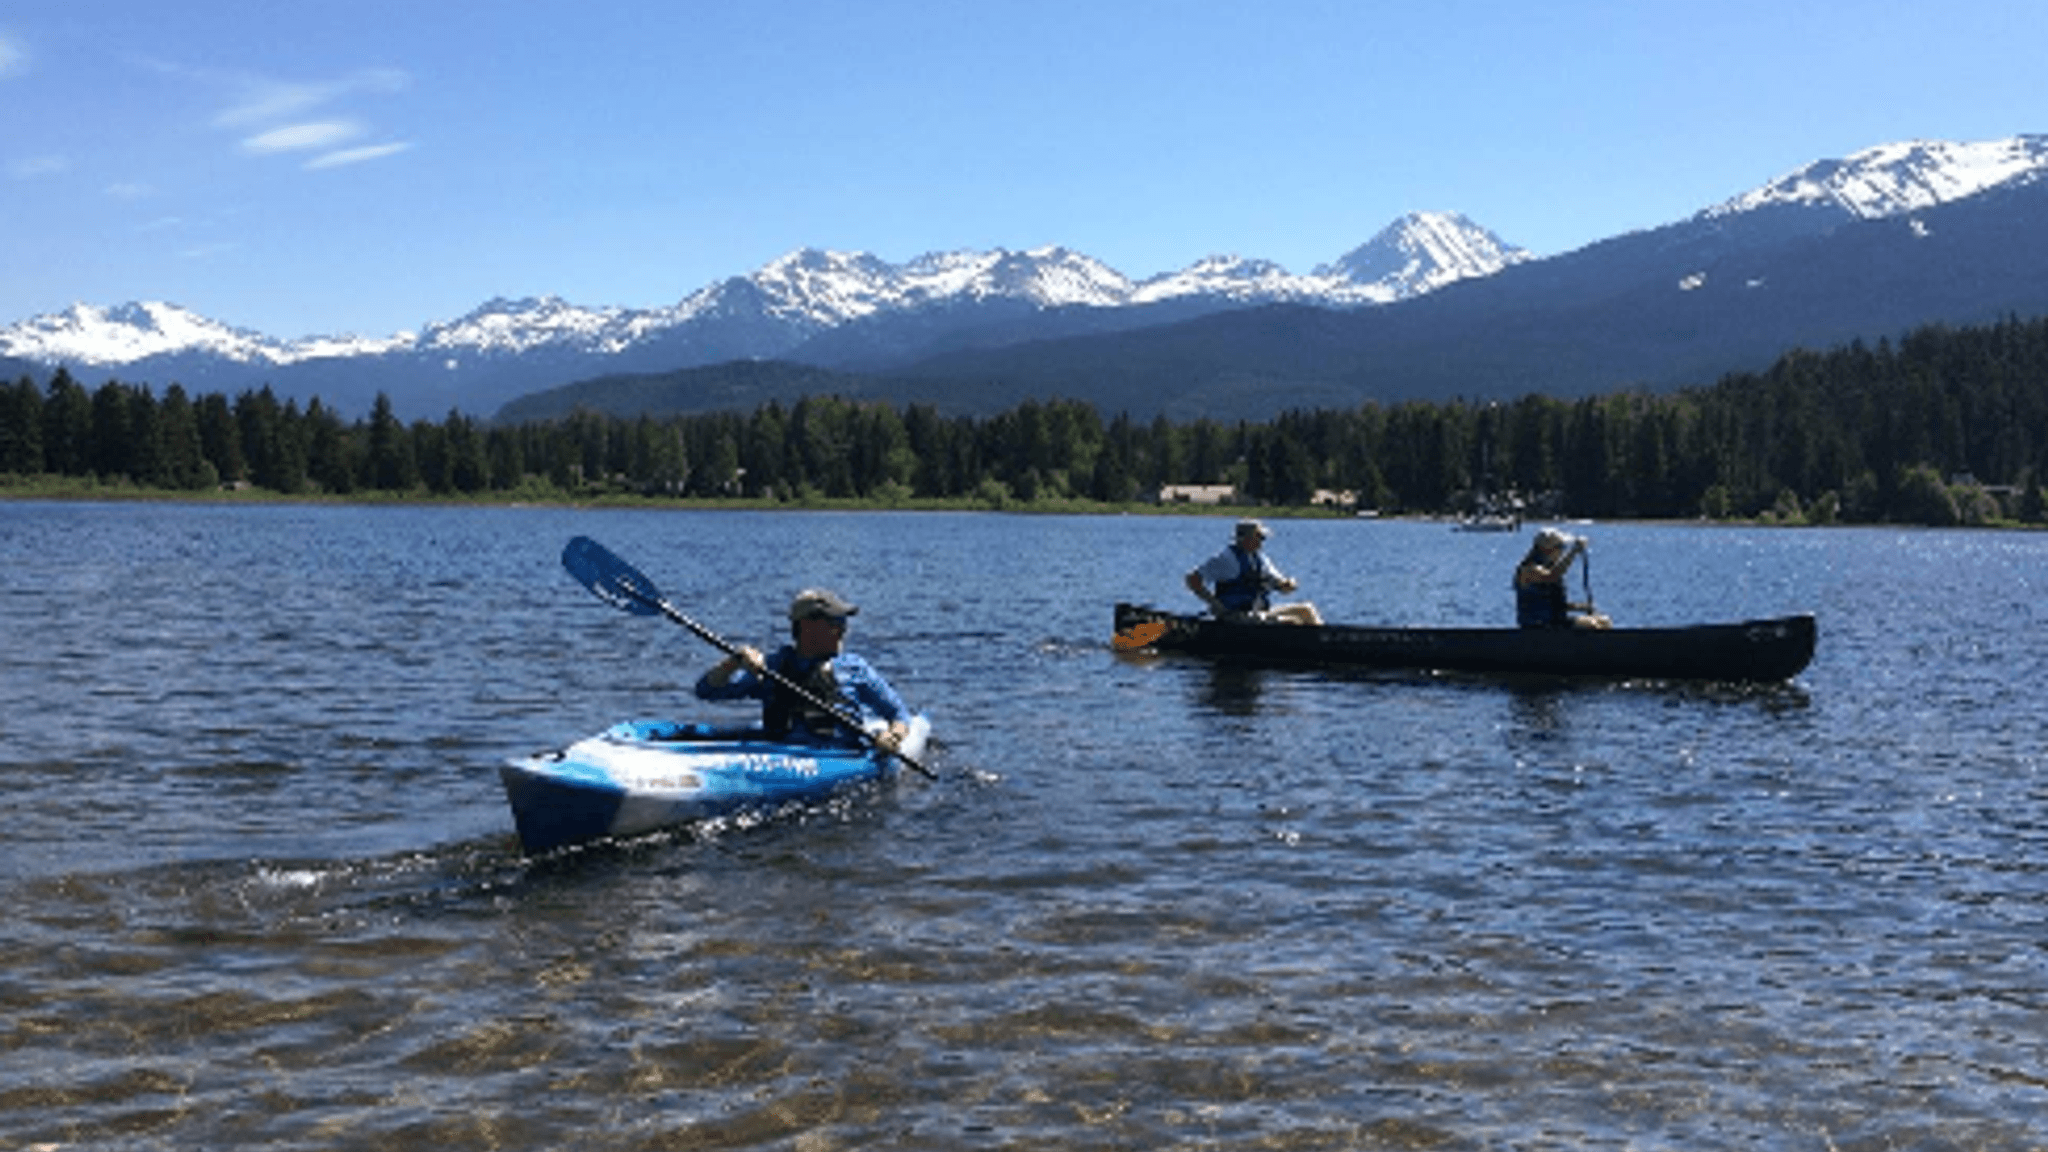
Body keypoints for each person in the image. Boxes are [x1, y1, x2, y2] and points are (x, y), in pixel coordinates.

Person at [695, 587, 914, 751]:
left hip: (837, 758)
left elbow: (899, 714)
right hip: (777, 757)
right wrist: (733, 663)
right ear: (808, 625)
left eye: (843, 622)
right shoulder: (771, 666)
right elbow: (706, 691)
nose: (843, 629)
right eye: (835, 621)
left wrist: (893, 736)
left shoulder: (854, 668)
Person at [1185, 518, 1323, 625]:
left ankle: (1324, 642)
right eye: (1260, 537)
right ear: (1246, 539)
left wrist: (1289, 584)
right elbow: (1192, 579)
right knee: (1291, 622)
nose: (1262, 541)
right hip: (1234, 616)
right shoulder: (1226, 559)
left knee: (1307, 609)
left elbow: (1282, 586)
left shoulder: (1260, 559)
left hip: (1258, 614)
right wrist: (1215, 605)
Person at [1514, 527, 1611, 629]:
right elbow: (1552, 576)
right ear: (1546, 549)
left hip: (1554, 622)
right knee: (1593, 626)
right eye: (1561, 547)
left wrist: (1580, 607)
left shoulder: (1550, 568)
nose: (1562, 551)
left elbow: (1555, 605)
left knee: (1604, 621)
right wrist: (1573, 552)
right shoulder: (1528, 569)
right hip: (1536, 625)